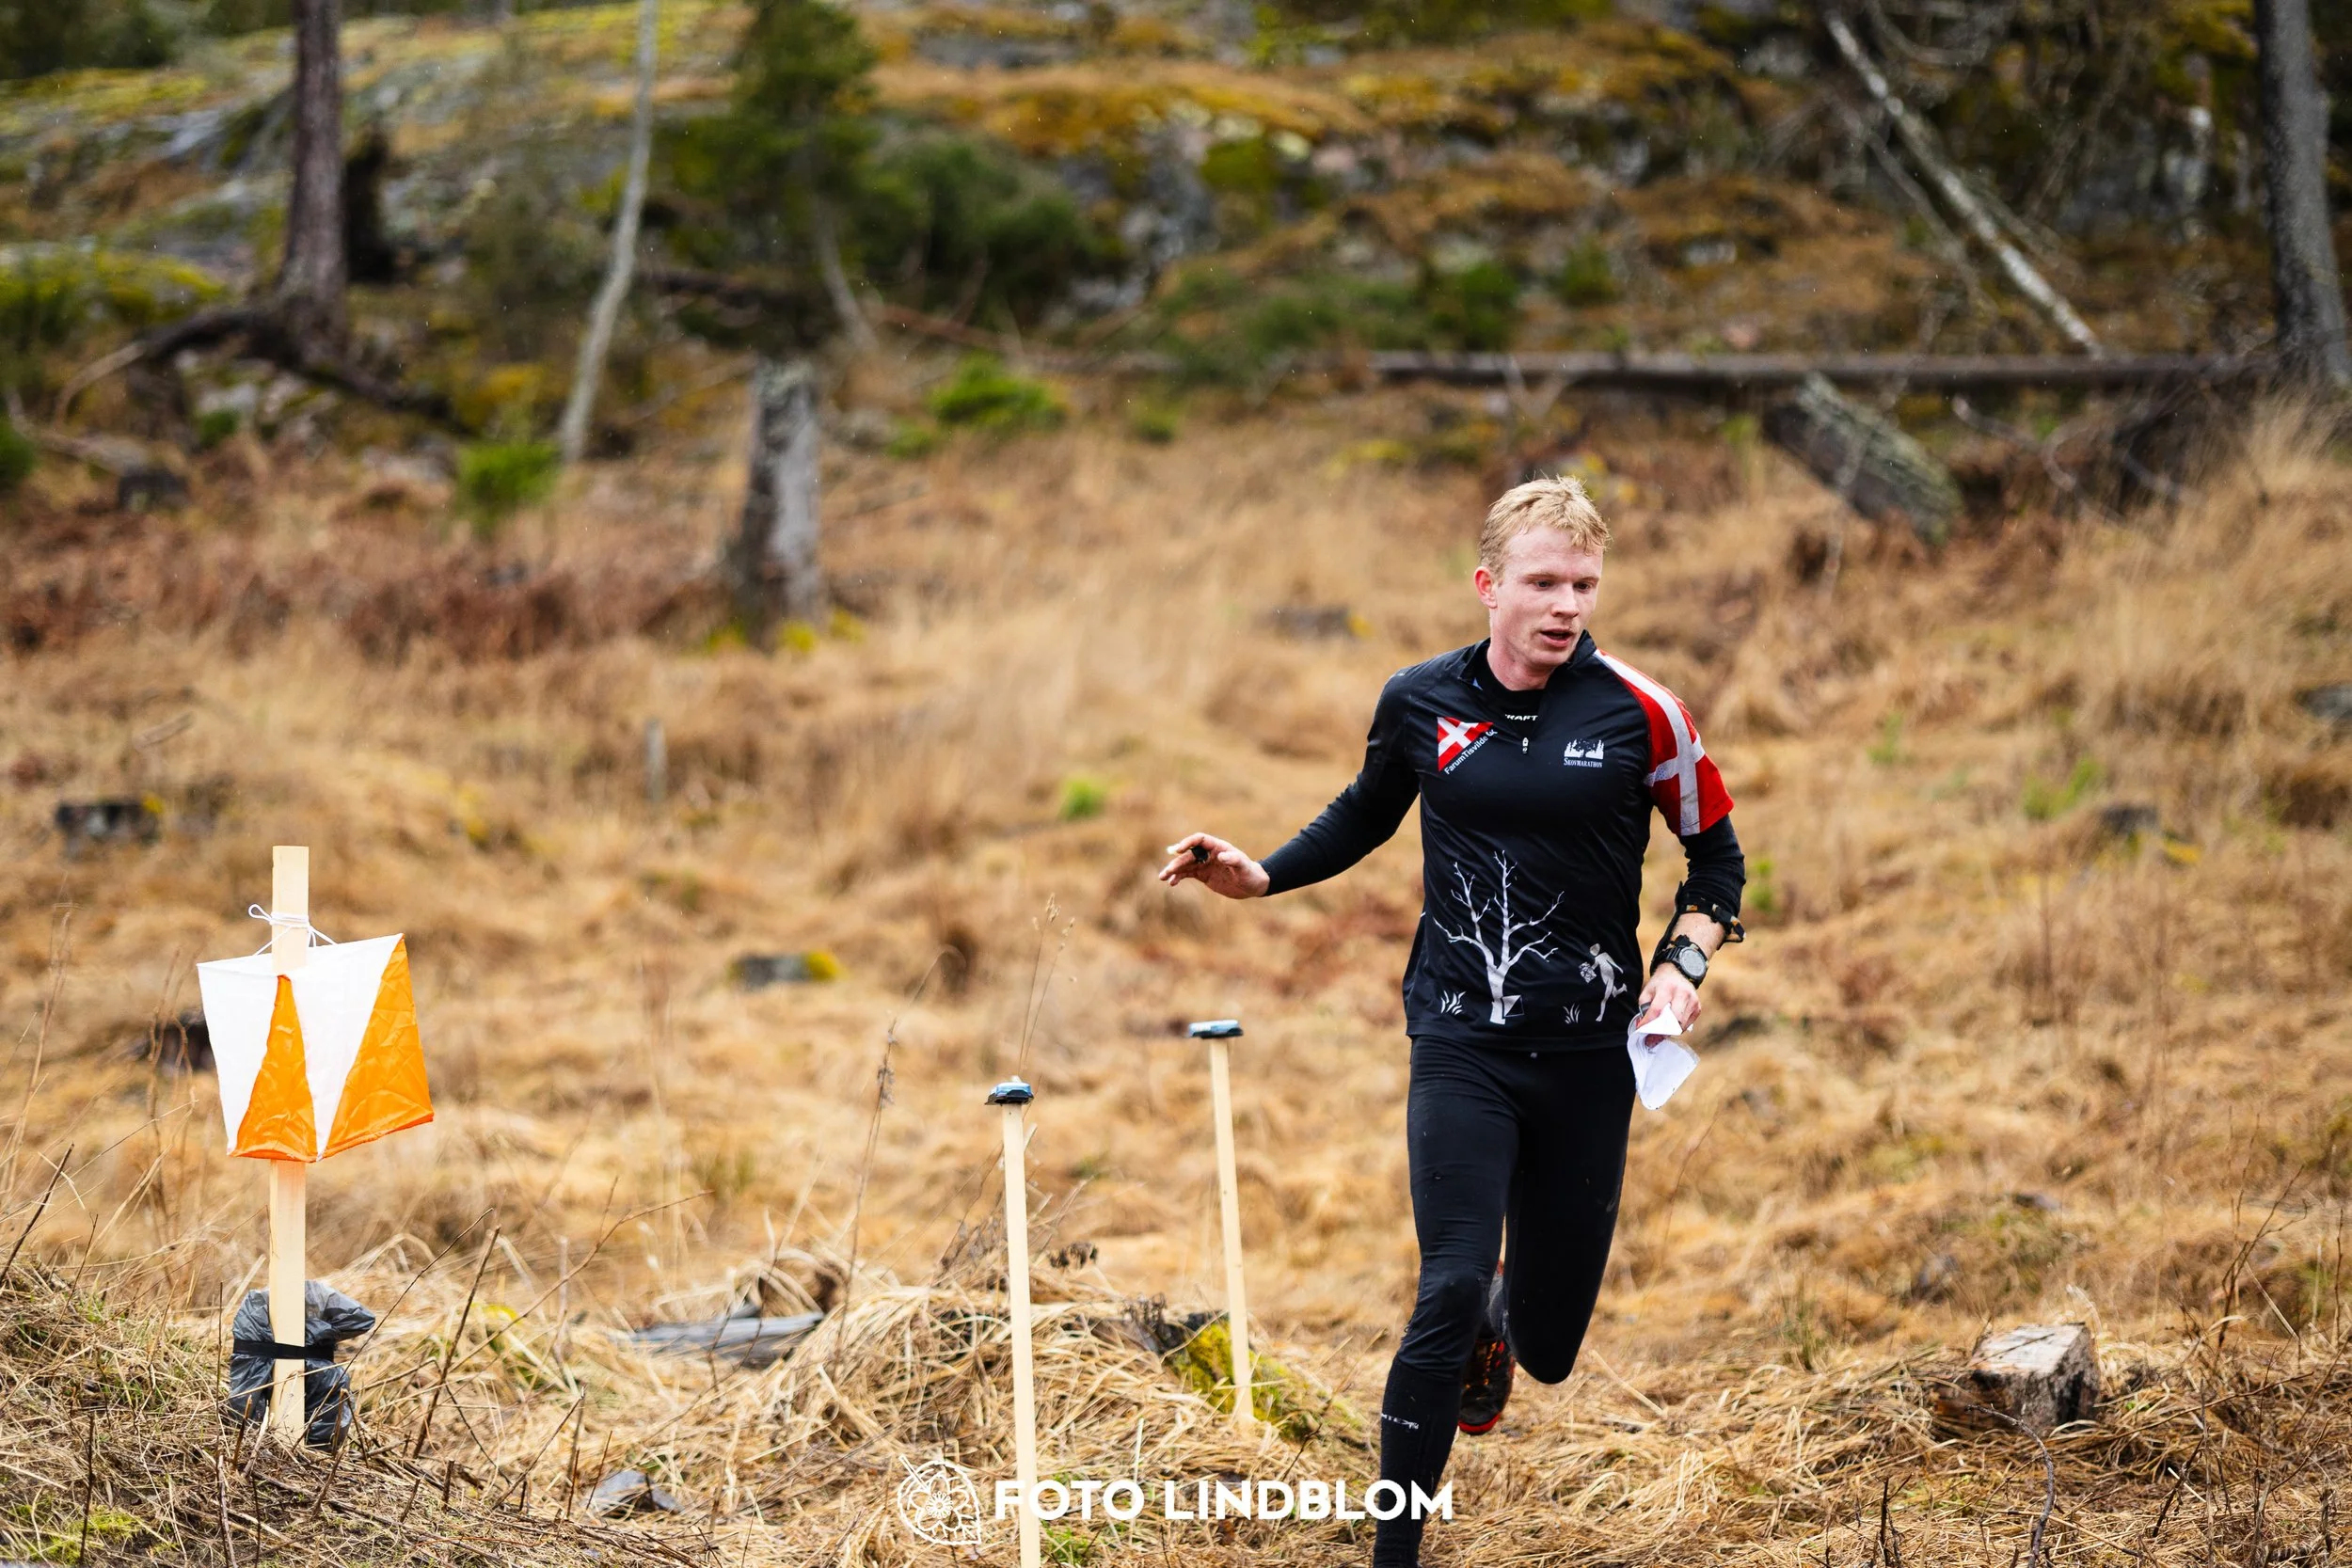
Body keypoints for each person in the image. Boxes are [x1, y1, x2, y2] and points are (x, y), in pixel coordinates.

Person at [1159, 476, 1744, 1568]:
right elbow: (1364, 811)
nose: (1565, 605)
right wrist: (1262, 874)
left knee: (1550, 1343)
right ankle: (1396, 1550)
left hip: (1587, 1053)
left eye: (1583, 584)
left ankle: (1503, 1317)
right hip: (1460, 1036)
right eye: (1542, 582)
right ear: (1488, 584)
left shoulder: (1641, 711)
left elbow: (1716, 857)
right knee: (1445, 1282)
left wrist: (1681, 963)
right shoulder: (1420, 699)